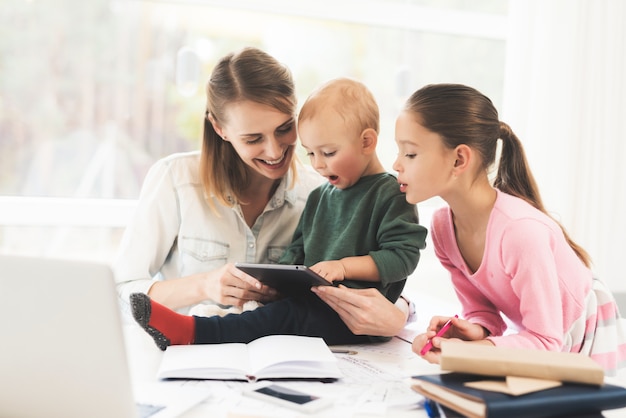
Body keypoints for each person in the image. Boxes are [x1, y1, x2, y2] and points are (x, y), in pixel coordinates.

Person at [129, 77, 427, 349]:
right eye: (310, 154)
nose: (319, 165)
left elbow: (403, 256)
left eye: (328, 153)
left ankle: (195, 332)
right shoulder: (321, 194)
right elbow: (298, 249)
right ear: (220, 129)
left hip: (352, 317)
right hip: (312, 305)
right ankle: (200, 324)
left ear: (367, 142)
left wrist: (343, 268)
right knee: (269, 314)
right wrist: (279, 278)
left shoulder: (390, 193)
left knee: (283, 316)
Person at [393, 83, 626, 375]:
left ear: (459, 159)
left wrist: (468, 352)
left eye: (410, 154)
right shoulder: (443, 229)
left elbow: (546, 341)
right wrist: (474, 331)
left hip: (587, 340)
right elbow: (484, 313)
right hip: (544, 342)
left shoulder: (520, 232)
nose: (396, 164)